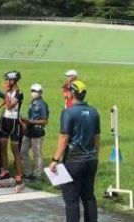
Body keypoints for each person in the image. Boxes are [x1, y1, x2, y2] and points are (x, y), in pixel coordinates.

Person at [49, 80, 99, 222]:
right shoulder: (94, 112)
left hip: (74, 162)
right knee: (89, 196)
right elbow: (97, 138)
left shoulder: (68, 112)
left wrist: (55, 160)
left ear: (71, 93)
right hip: (91, 160)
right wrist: (96, 156)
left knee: (71, 200)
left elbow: (64, 137)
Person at [0, 71, 24, 182]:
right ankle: (5, 171)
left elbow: (10, 105)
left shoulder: (19, 93)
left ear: (13, 81)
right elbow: (5, 102)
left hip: (13, 123)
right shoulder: (10, 92)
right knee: (3, 148)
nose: (6, 82)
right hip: (5, 121)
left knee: (15, 151)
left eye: (8, 80)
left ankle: (19, 174)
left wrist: (6, 92)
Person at [21, 83, 49, 180]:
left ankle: (38, 174)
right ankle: (27, 172)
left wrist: (30, 121)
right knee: (22, 151)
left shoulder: (42, 104)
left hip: (37, 131)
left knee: (37, 153)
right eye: (32, 91)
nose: (34, 93)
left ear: (41, 92)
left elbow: (45, 121)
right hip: (29, 131)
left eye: (36, 91)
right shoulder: (32, 102)